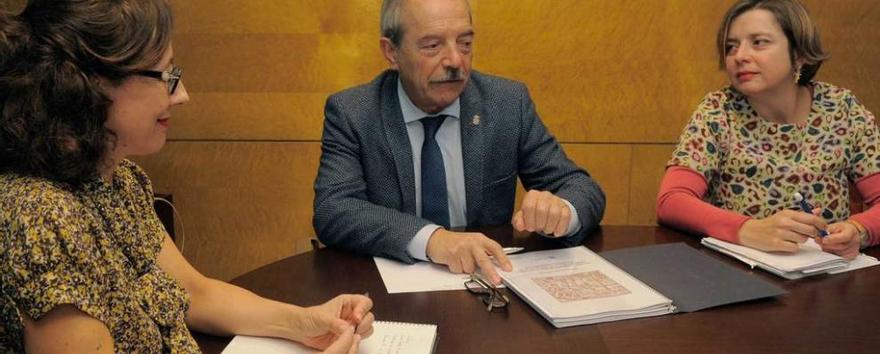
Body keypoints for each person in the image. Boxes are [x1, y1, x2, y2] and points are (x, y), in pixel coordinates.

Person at [0, 1, 374, 354]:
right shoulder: (35, 214)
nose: (183, 95)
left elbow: (195, 292)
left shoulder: (116, 178)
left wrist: (303, 322)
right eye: (166, 76)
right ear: (88, 86)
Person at [313, 0, 606, 284]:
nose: (455, 61)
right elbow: (335, 209)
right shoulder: (354, 112)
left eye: (465, 43)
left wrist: (562, 211)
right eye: (432, 46)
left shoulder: (506, 104)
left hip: (486, 288)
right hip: (387, 298)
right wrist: (434, 240)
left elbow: (582, 188)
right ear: (392, 51)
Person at [656, 0, 880, 260]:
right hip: (739, 273)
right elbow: (671, 200)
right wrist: (748, 230)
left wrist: (859, 230)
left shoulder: (842, 108)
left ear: (799, 53)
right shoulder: (719, 110)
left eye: (759, 42)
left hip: (825, 275)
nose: (739, 56)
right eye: (731, 47)